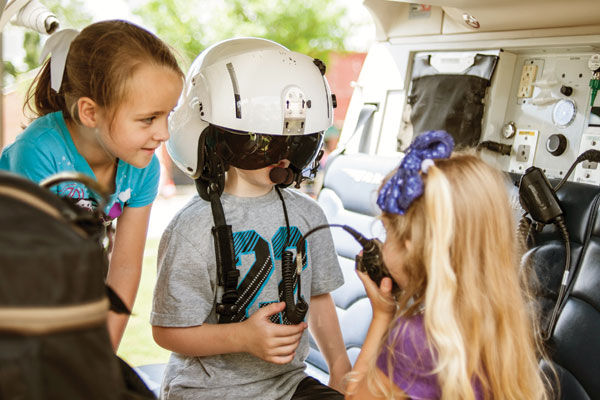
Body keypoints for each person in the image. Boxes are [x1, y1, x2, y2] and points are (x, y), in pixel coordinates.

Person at [151, 37, 351, 399]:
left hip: (287, 384)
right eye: (265, 142)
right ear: (220, 137)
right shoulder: (192, 228)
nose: (284, 157)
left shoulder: (309, 214)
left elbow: (318, 297)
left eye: (297, 143)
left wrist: (340, 367)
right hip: (206, 392)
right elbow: (167, 331)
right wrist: (241, 337)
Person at [0, 20, 184, 351]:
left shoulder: (142, 169)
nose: (164, 134)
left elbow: (125, 266)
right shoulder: (38, 152)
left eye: (168, 116)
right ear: (90, 112)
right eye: (148, 119)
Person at [345, 130, 550, 399]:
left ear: (411, 246)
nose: (383, 245)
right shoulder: (503, 330)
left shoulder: (416, 339)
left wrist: (383, 316)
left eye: (387, 232)